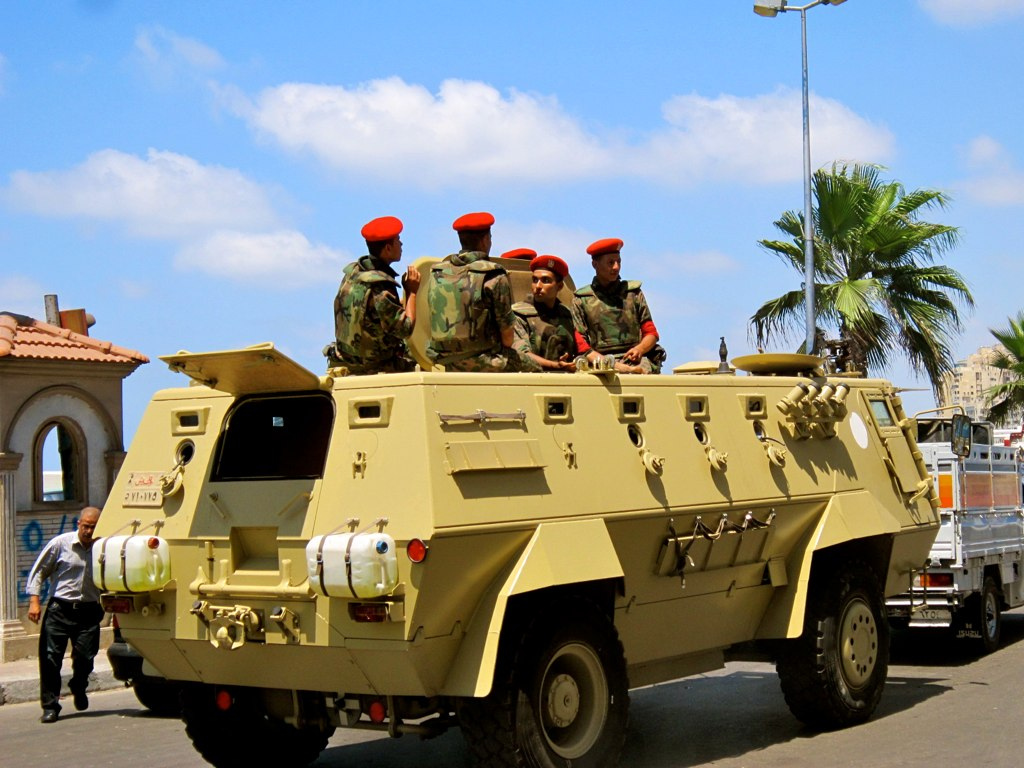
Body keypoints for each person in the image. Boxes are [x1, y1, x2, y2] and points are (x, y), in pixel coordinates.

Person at [26, 506, 105, 724]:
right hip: (60, 610)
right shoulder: (61, 544)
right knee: (51, 658)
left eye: (93, 527)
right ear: (79, 524)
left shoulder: (103, 548)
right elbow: (39, 571)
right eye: (86, 526)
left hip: (89, 611)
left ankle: (79, 686)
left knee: (85, 658)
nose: (89, 531)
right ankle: (50, 706)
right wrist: (34, 602)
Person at [426, 212, 522, 371]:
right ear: (485, 240)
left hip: (443, 360)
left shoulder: (436, 273)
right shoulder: (494, 275)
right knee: (538, 370)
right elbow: (507, 339)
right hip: (484, 361)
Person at [329, 215, 420, 374]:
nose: (401, 244)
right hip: (372, 366)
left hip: (346, 360)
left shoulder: (354, 273)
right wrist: (412, 291)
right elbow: (405, 330)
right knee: (422, 360)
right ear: (388, 248)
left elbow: (371, 314)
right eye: (398, 240)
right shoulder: (380, 285)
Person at [572, 237, 666, 374]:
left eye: (618, 262)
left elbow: (651, 333)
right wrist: (609, 364)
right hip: (598, 364)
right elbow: (580, 344)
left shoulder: (633, 294)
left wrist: (639, 350)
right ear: (595, 265)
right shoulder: (581, 299)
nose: (616, 267)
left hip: (637, 361)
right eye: (610, 263)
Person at [512, 254, 579, 372]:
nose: (538, 286)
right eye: (535, 280)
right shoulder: (519, 314)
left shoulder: (566, 315)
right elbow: (522, 354)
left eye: (545, 281)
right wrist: (555, 365)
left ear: (559, 286)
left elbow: (579, 348)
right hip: (529, 381)